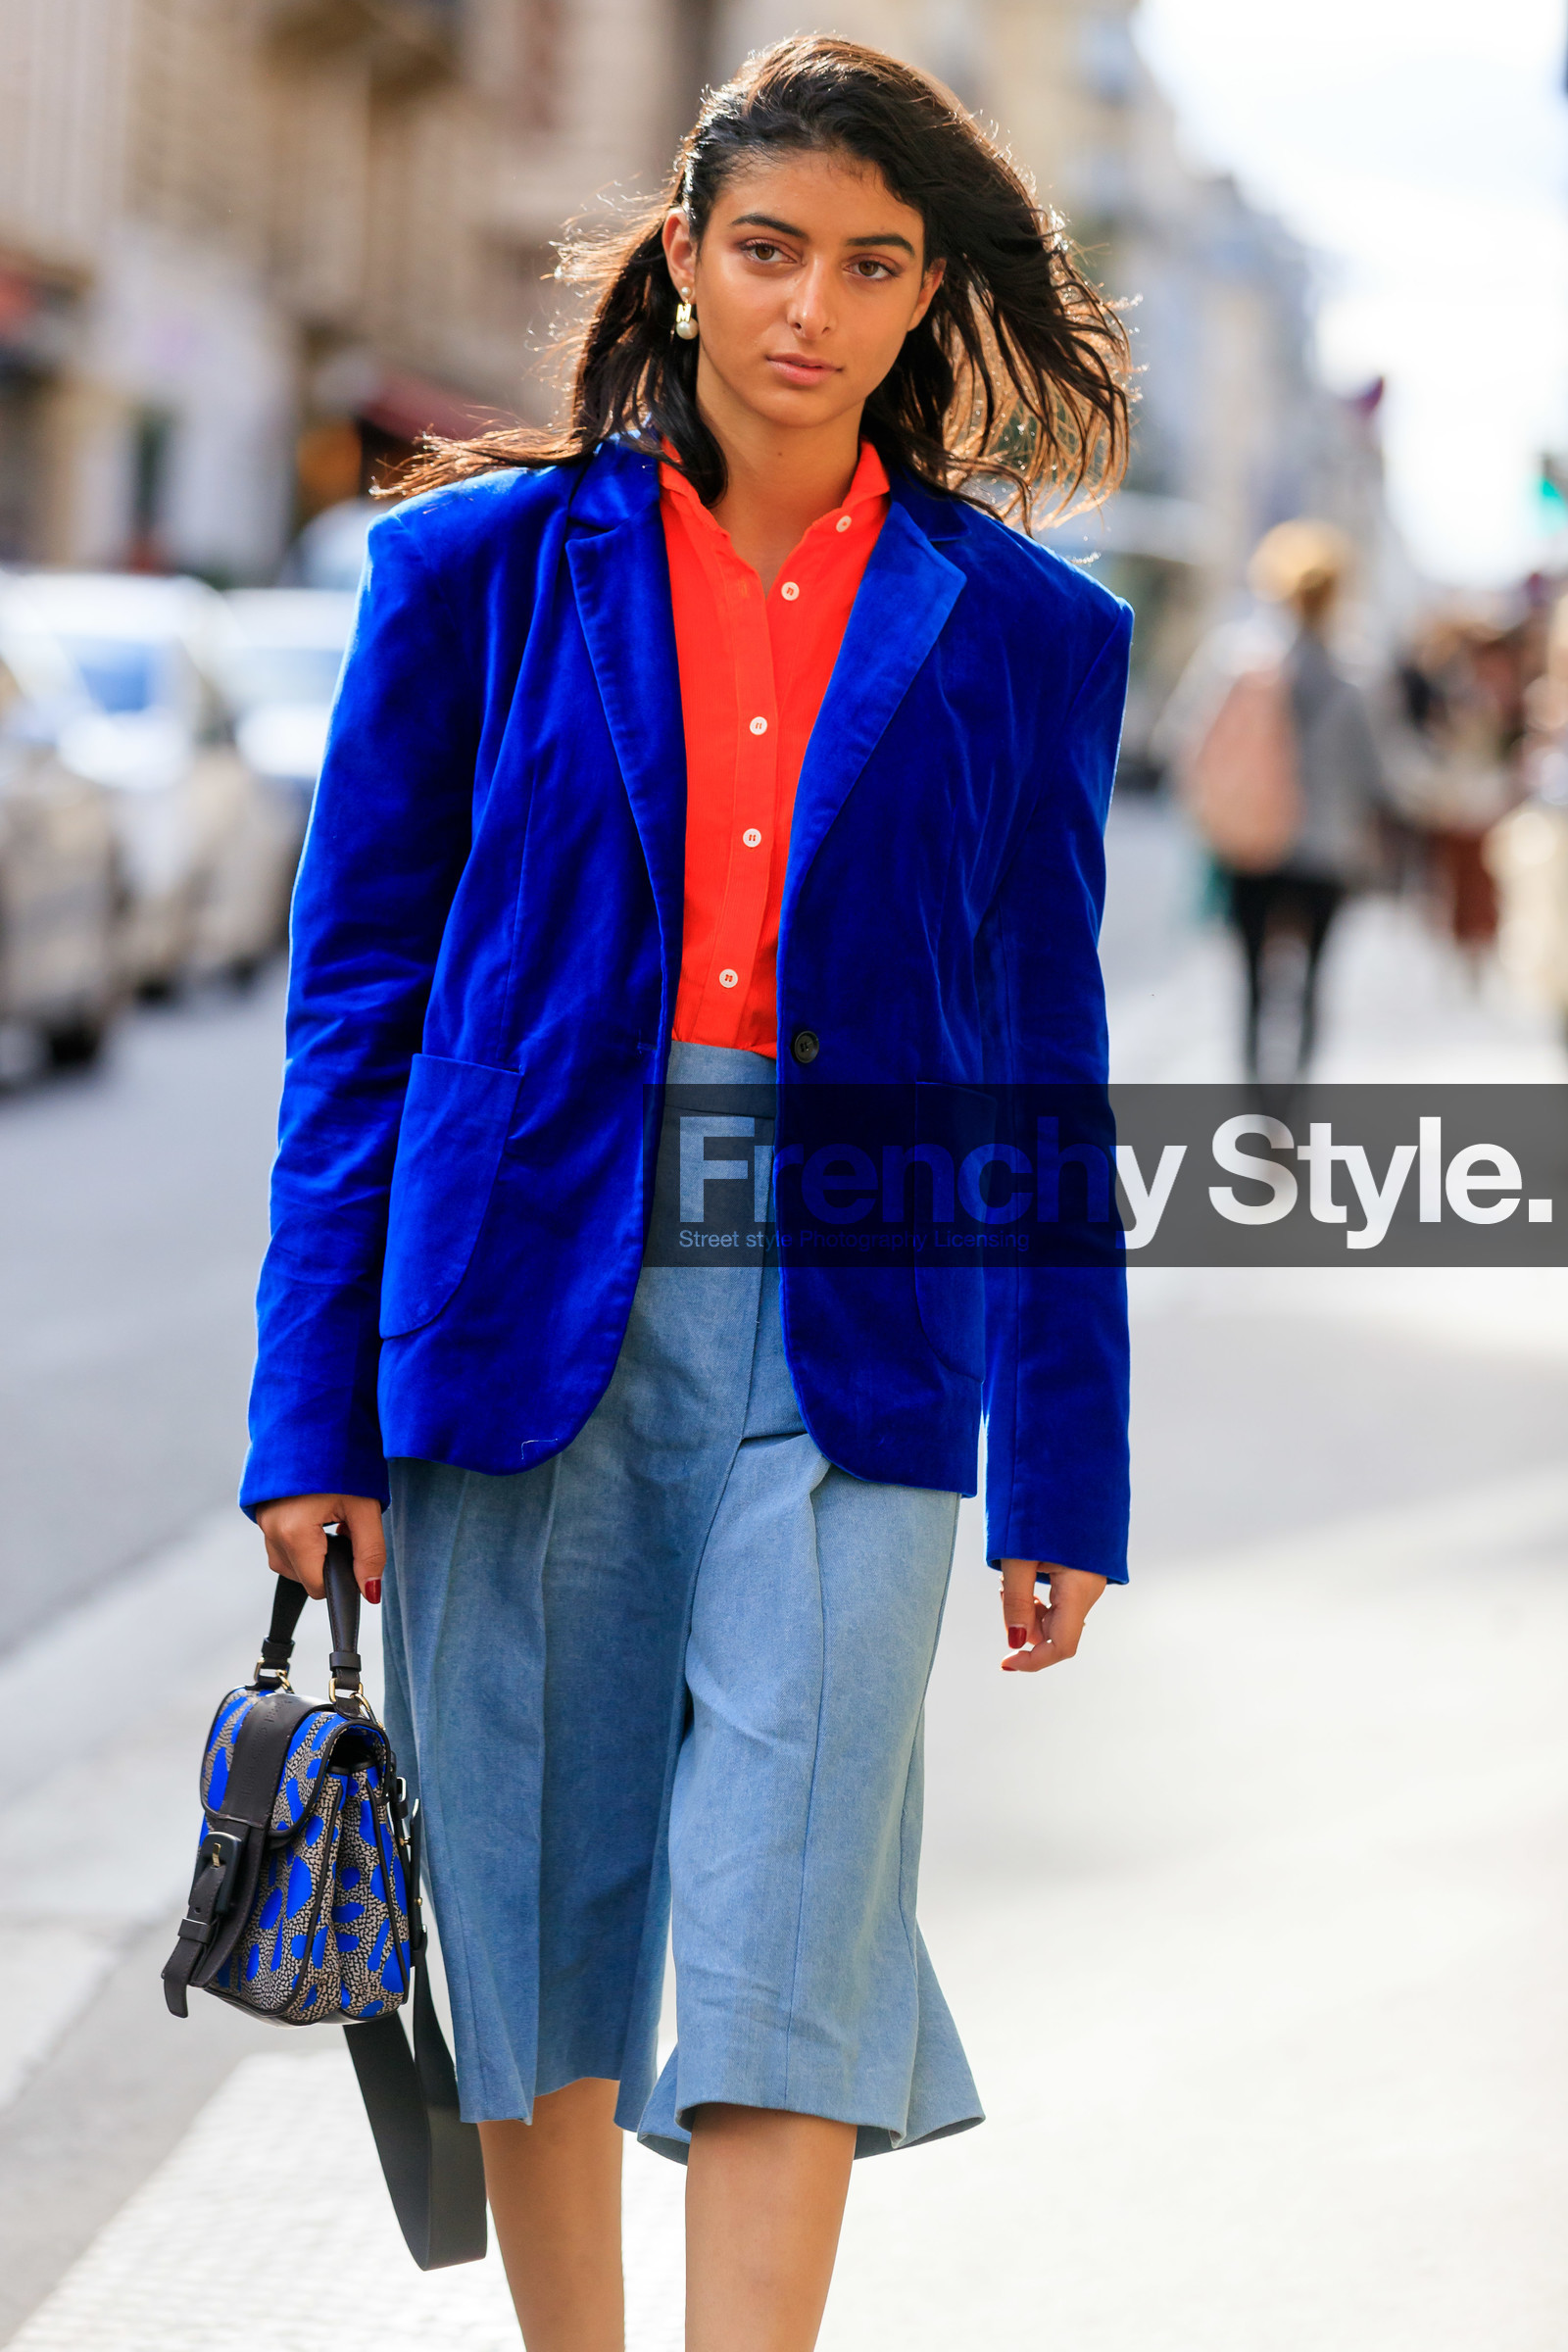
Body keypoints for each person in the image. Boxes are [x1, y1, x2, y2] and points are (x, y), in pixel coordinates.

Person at [242, 37, 1133, 2352]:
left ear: (929, 290)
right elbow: (354, 1014)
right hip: (520, 1292)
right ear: (681, 257)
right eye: (764, 251)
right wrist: (302, 1424)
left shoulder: (1024, 634)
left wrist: (1065, 1457)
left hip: (857, 1330)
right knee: (536, 1898)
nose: (806, 310)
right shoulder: (468, 574)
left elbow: (1045, 1050)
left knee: (791, 1906)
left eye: (867, 262)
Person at [1168, 519, 1383, 1078]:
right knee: (1313, 983)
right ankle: (1294, 1105)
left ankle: (1257, 1107)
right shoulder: (1356, 676)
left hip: (1252, 838)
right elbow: (1380, 773)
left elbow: (1183, 740)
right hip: (1330, 849)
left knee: (1251, 986)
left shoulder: (1240, 660)